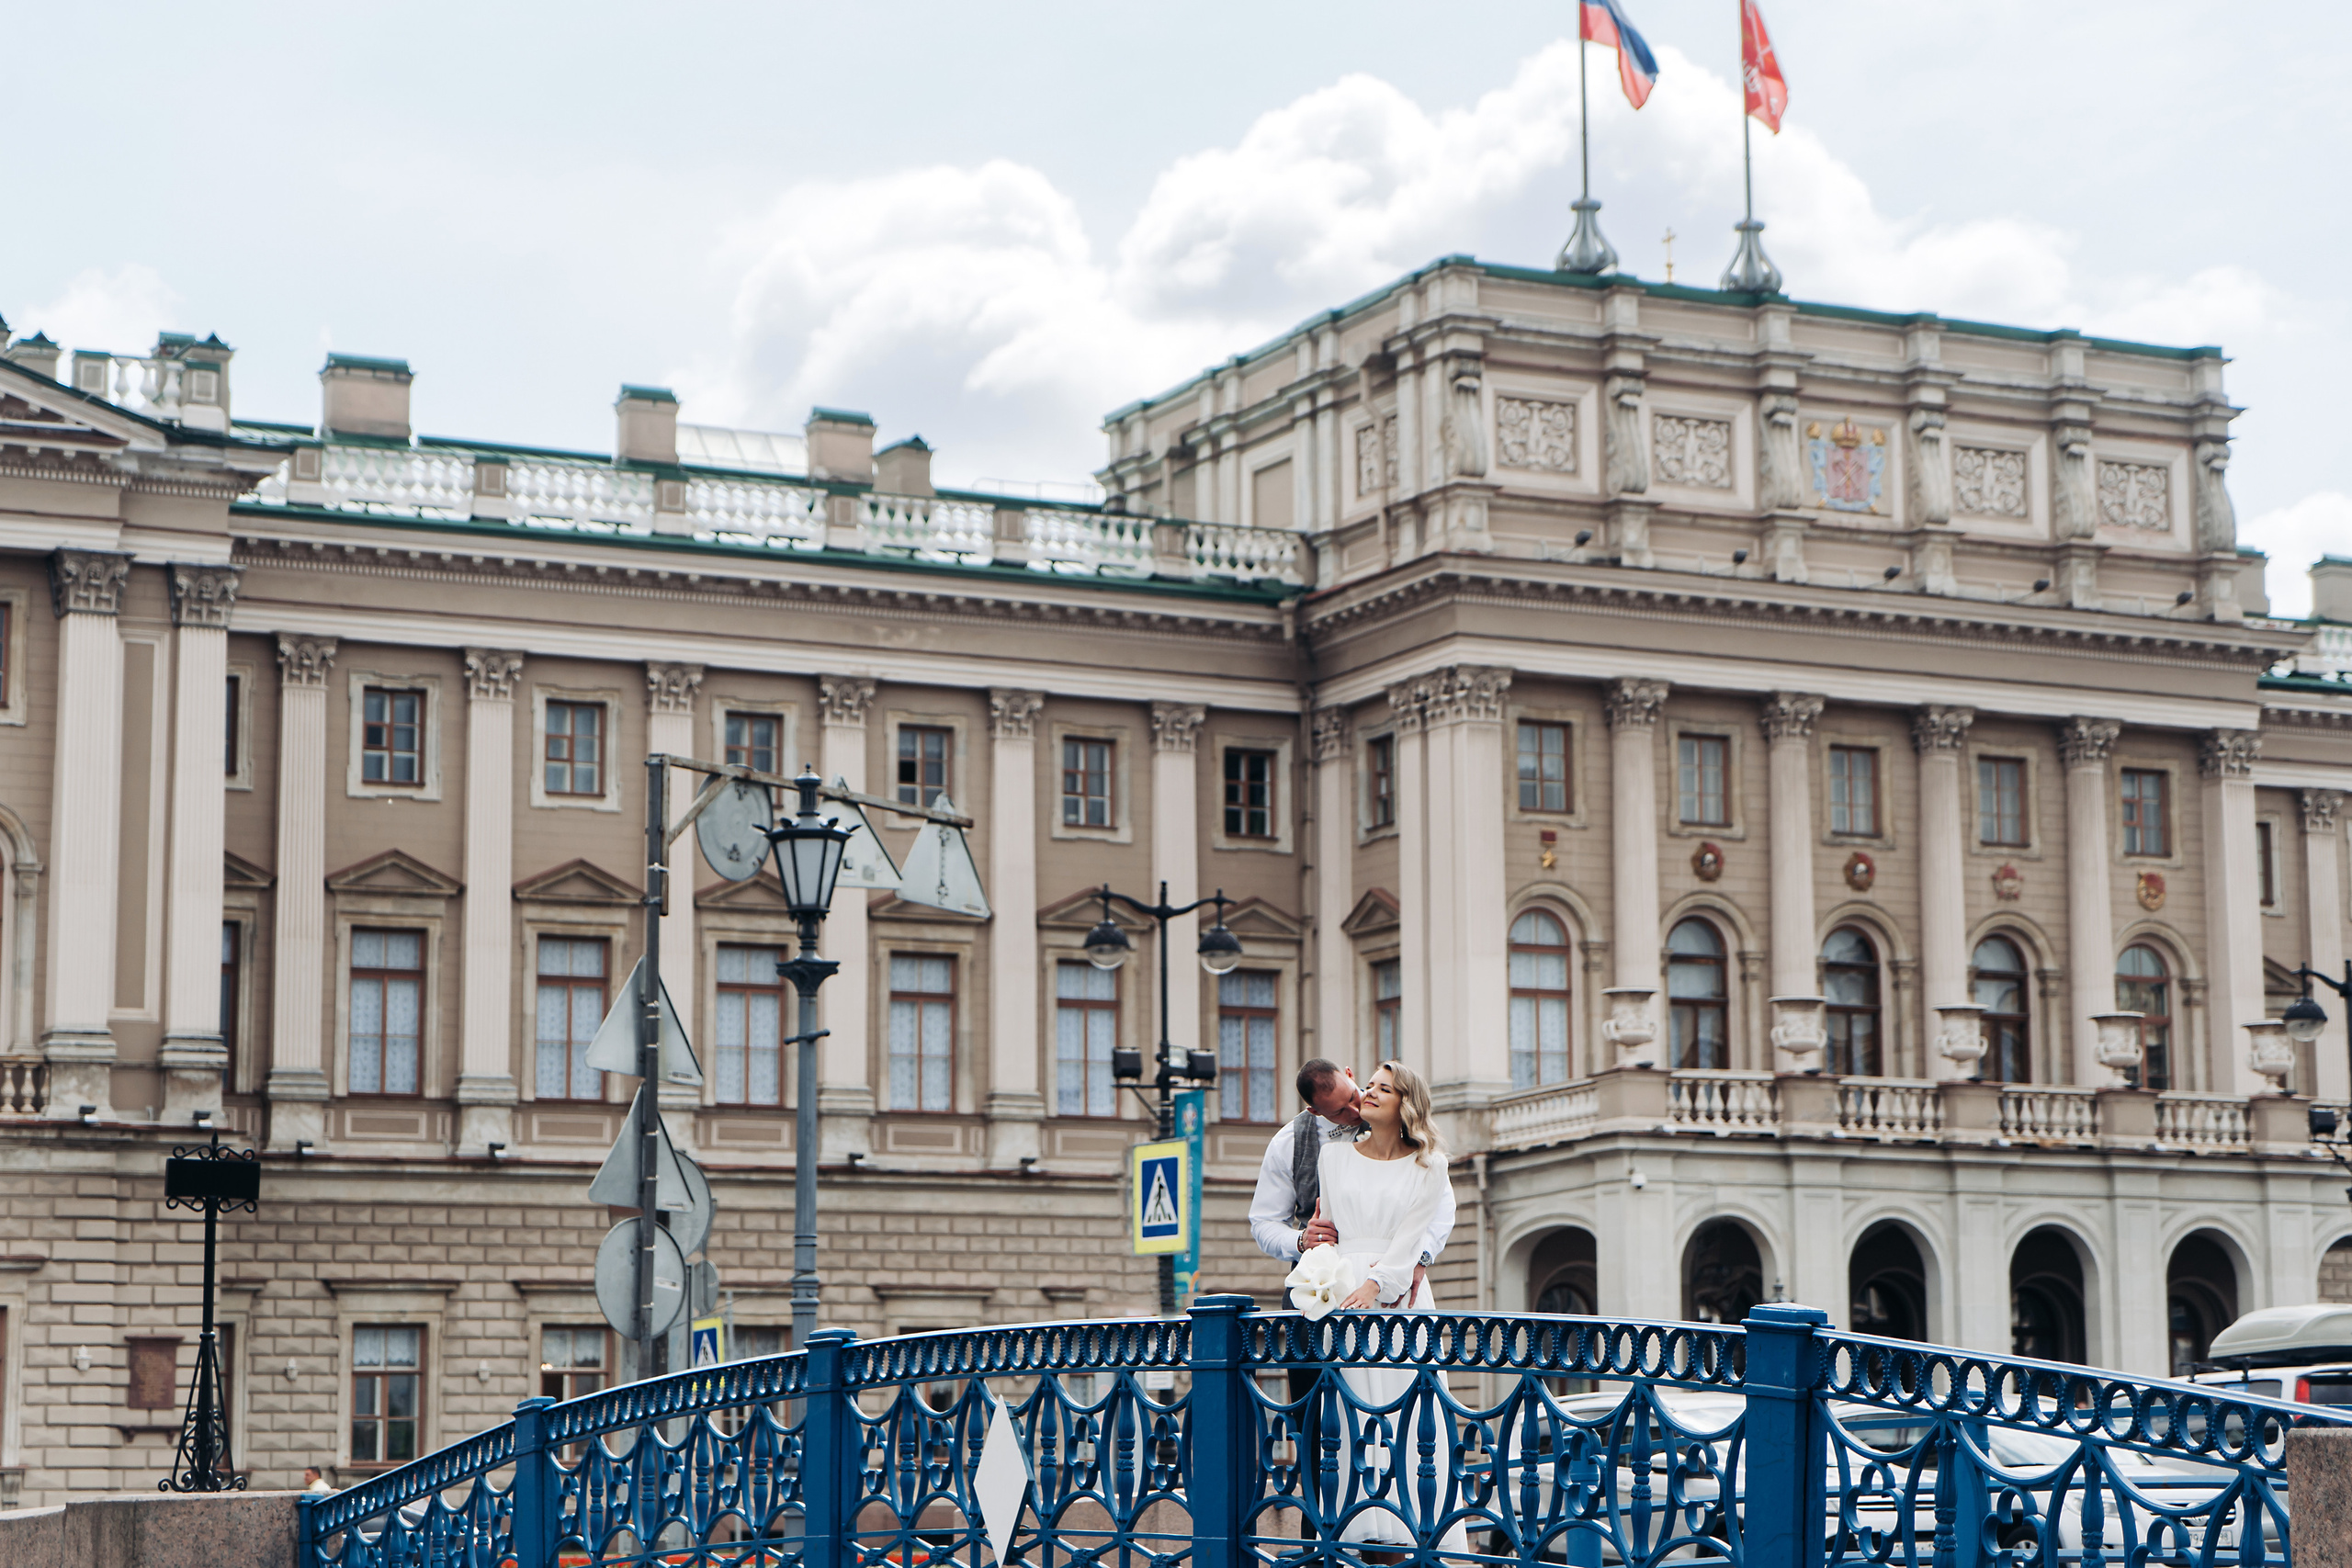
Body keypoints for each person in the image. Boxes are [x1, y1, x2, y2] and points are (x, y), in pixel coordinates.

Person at [1299, 1059, 1472, 1557]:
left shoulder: (1430, 1165)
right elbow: (1330, 1230)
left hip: (1399, 1298)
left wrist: (1379, 1284)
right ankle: (1357, 1534)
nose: (1369, 1093)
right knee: (1351, 1418)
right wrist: (1317, 1263)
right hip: (1343, 1297)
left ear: (1406, 1104)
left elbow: (1413, 1237)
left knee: (1408, 1418)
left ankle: (1413, 1532)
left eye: (1383, 1089)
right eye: (1369, 1085)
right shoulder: (1332, 1157)